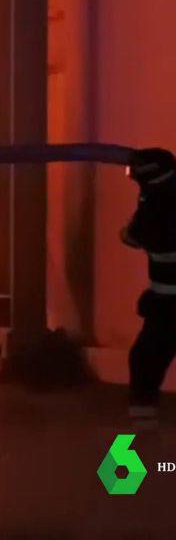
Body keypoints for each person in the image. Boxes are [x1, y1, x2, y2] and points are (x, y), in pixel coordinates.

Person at [122, 147, 176, 430]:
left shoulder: (156, 205)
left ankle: (132, 450)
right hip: (165, 302)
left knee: (143, 364)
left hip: (168, 306)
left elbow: (131, 236)